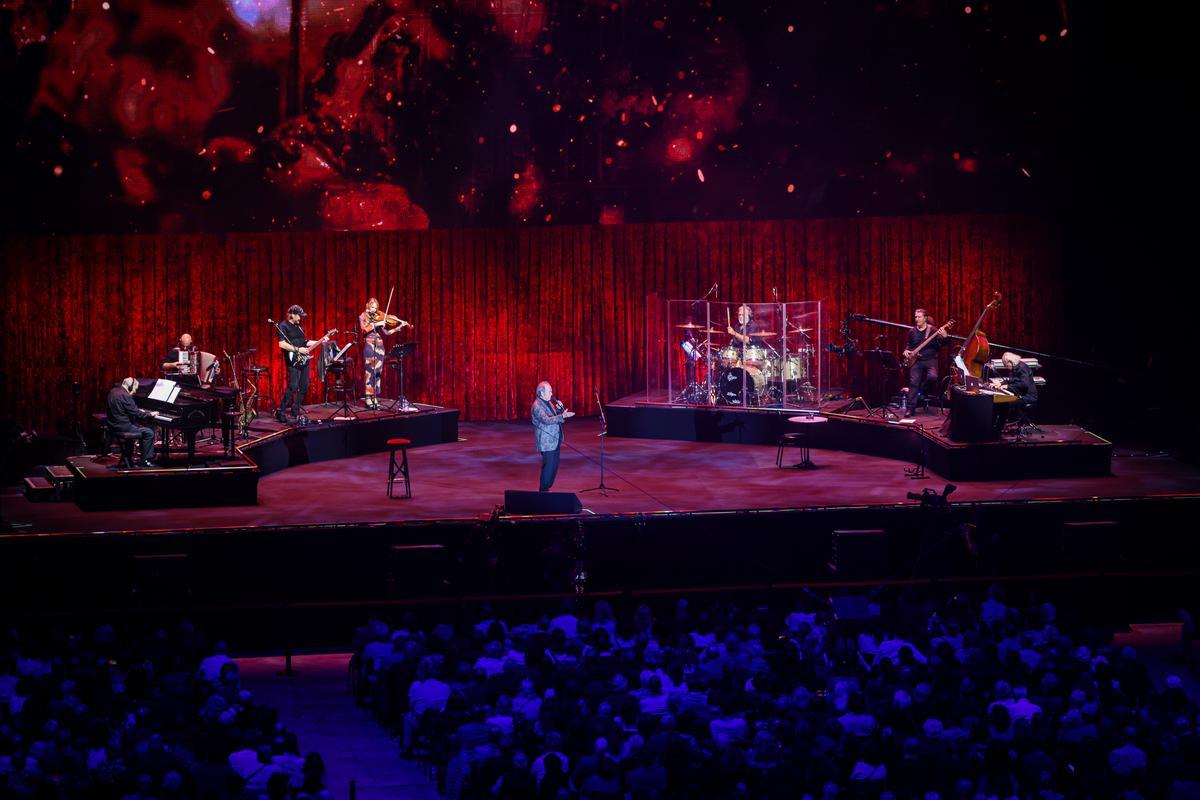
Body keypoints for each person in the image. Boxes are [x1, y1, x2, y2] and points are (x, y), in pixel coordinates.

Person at [275, 305, 324, 424]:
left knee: (305, 385)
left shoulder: (299, 327)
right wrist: (298, 350)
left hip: (303, 359)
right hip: (293, 360)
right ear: (292, 314)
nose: (300, 318)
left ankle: (295, 409)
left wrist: (321, 340)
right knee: (293, 385)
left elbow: (305, 342)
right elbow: (281, 344)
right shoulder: (283, 326)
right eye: (299, 316)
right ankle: (280, 411)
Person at [359, 297, 408, 410]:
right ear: (368, 306)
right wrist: (377, 324)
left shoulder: (378, 317)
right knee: (369, 371)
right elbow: (364, 329)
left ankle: (375, 396)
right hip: (369, 344)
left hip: (380, 346)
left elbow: (386, 332)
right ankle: (368, 397)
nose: (374, 310)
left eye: (375, 308)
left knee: (377, 372)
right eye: (372, 307)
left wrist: (398, 327)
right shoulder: (363, 316)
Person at [901, 308, 948, 417]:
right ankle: (910, 409)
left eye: (919, 317)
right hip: (916, 361)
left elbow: (943, 343)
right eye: (915, 317)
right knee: (913, 383)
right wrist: (906, 351)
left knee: (933, 377)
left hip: (930, 360)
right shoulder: (912, 331)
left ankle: (921, 391)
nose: (916, 319)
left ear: (925, 318)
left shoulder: (933, 330)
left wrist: (945, 336)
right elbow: (910, 345)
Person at [531, 381, 574, 492]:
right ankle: (543, 491)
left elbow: (554, 416)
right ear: (541, 393)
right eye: (549, 391)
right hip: (547, 442)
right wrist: (562, 416)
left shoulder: (548, 402)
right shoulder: (537, 406)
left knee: (554, 467)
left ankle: (547, 489)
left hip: (555, 440)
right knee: (548, 468)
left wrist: (559, 410)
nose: (552, 393)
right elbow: (546, 420)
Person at [106, 377, 157, 466]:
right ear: (130, 386)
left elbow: (128, 410)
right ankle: (145, 461)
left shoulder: (113, 391)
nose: (135, 392)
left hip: (112, 425)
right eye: (135, 389)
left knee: (139, 427)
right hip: (123, 427)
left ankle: (129, 458)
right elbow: (137, 414)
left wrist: (138, 410)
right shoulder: (125, 395)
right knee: (149, 432)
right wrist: (150, 414)